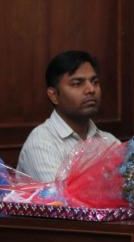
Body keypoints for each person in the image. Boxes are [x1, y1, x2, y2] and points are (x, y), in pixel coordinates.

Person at [17, 51, 118, 182]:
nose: (91, 89)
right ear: (54, 95)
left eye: (95, 82)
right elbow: (60, 195)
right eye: (77, 83)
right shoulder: (41, 143)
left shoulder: (110, 142)